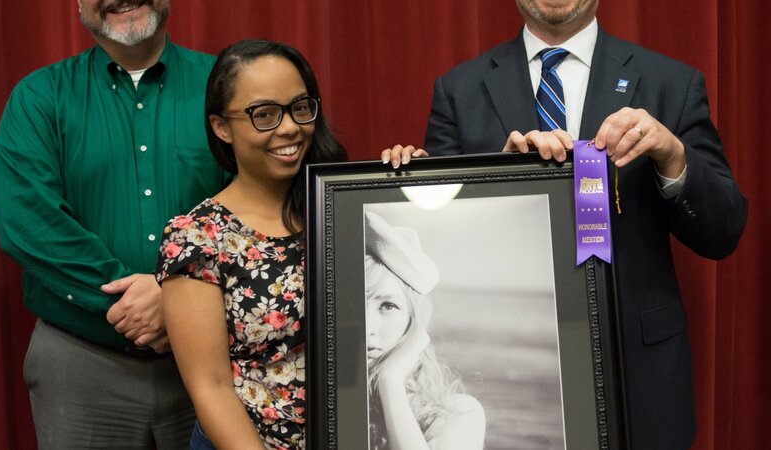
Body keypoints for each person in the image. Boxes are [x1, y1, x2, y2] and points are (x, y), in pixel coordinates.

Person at [382, 1, 748, 449]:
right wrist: (498, 182)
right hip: (512, 384)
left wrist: (673, 156)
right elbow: (441, 228)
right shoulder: (459, 90)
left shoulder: (671, 82)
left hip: (640, 374)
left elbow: (723, 231)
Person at [0, 1, 230, 448]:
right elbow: (27, 221)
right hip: (80, 364)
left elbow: (264, 205)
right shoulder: (39, 97)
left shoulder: (226, 86)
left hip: (217, 357)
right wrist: (142, 300)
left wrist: (175, 300)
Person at [155, 39, 348, 449]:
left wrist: (398, 186)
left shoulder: (340, 205)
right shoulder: (197, 238)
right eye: (264, 114)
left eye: (300, 107)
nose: (290, 128)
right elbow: (211, 388)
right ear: (221, 126)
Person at [363, 211, 485, 450]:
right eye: (354, 306)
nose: (367, 325)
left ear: (413, 321)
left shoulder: (457, 415)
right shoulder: (312, 404)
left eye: (388, 305)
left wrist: (391, 383)